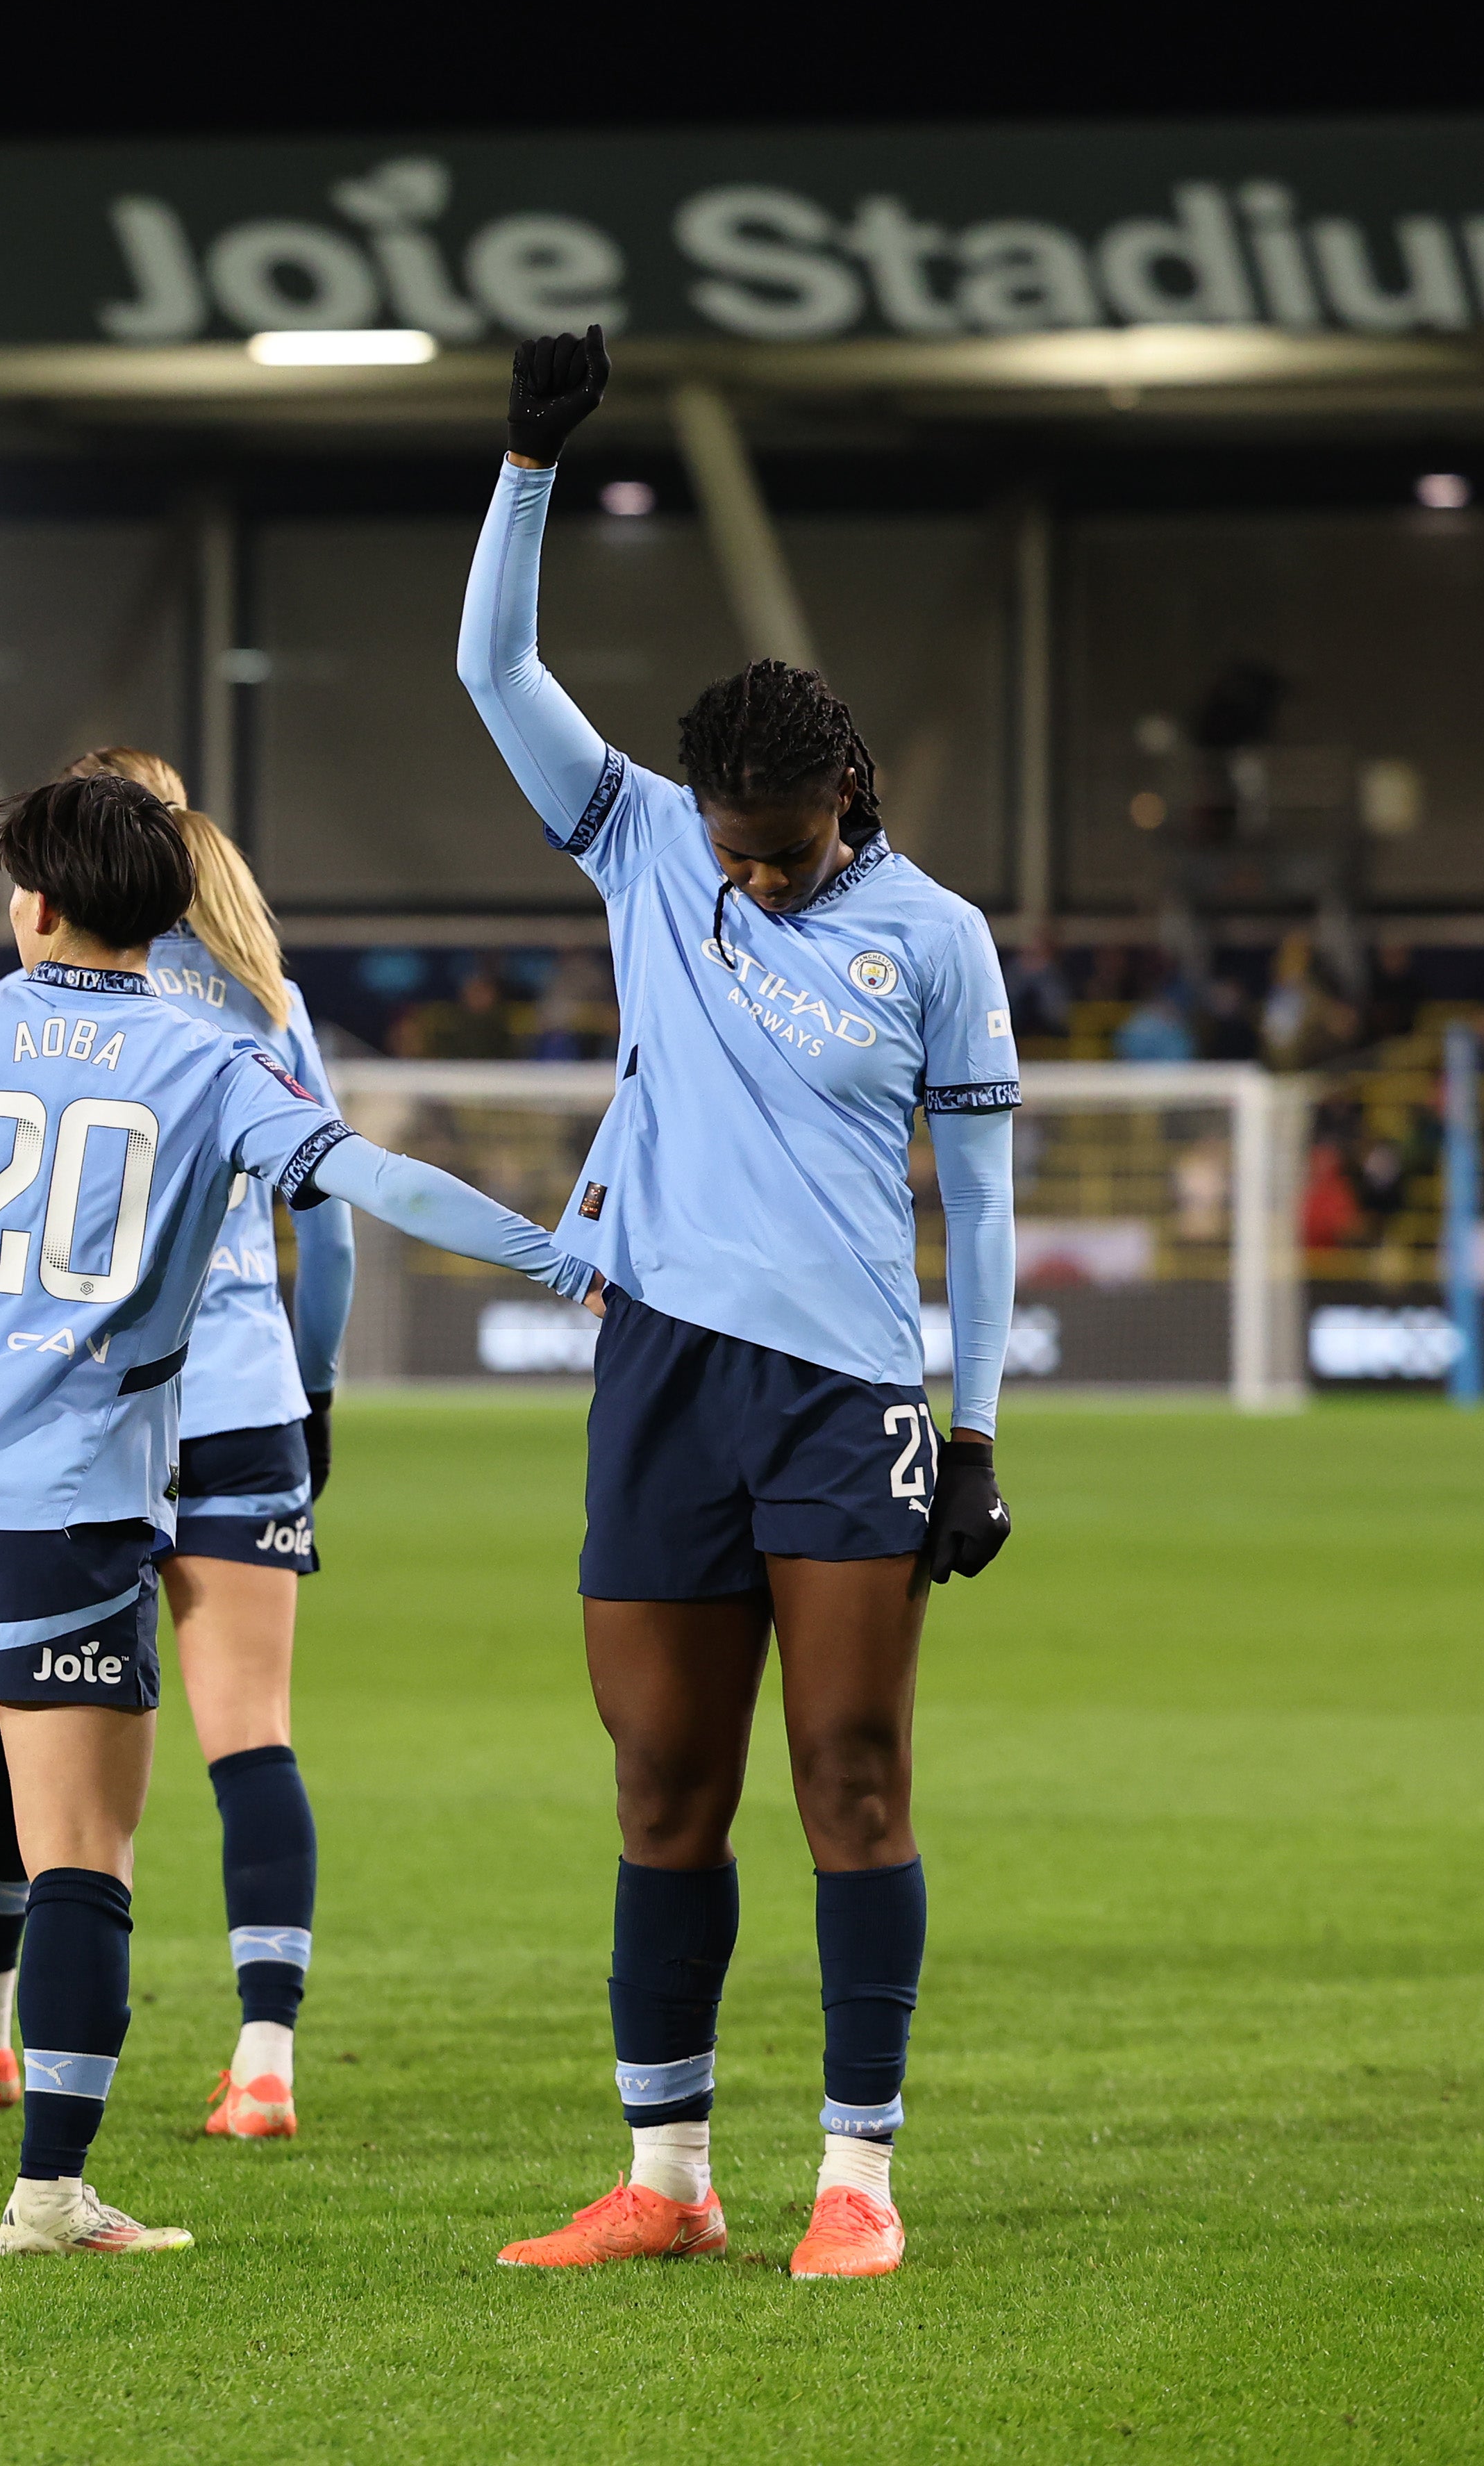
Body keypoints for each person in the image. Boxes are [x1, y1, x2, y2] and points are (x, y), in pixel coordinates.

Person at [0, 772, 589, 2253]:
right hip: (60, 1508)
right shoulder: (210, 1060)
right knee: (82, 1853)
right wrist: (562, 1256)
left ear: (35, 903)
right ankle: (50, 2194)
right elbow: (369, 1181)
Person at [452, 329, 1018, 2281]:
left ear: (845, 797)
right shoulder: (636, 843)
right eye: (733, 847)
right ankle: (669, 2178)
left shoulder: (937, 940)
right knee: (657, 1779)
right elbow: (491, 673)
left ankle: (855, 2177)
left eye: (785, 849)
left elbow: (987, 1192)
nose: (757, 881)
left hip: (846, 1383)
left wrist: (978, 1429)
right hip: (661, 1365)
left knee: (852, 1775)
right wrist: (528, 460)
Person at [0, 745, 353, 2142]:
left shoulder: (21, 1012)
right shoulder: (265, 1001)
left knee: (1, 1714)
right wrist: (309, 1389)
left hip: (69, 1415)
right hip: (243, 1396)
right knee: (251, 1732)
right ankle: (264, 2055)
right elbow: (325, 1223)